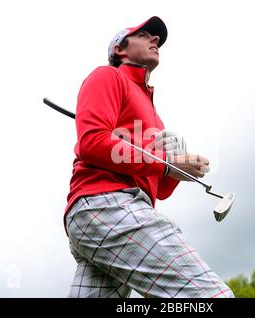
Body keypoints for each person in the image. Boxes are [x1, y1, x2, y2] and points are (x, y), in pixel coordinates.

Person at [65, 16, 234, 298]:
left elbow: (160, 189)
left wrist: (177, 168)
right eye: (145, 35)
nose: (155, 40)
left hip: (109, 214)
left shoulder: (153, 114)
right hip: (106, 204)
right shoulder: (107, 76)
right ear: (120, 49)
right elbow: (91, 142)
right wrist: (167, 165)